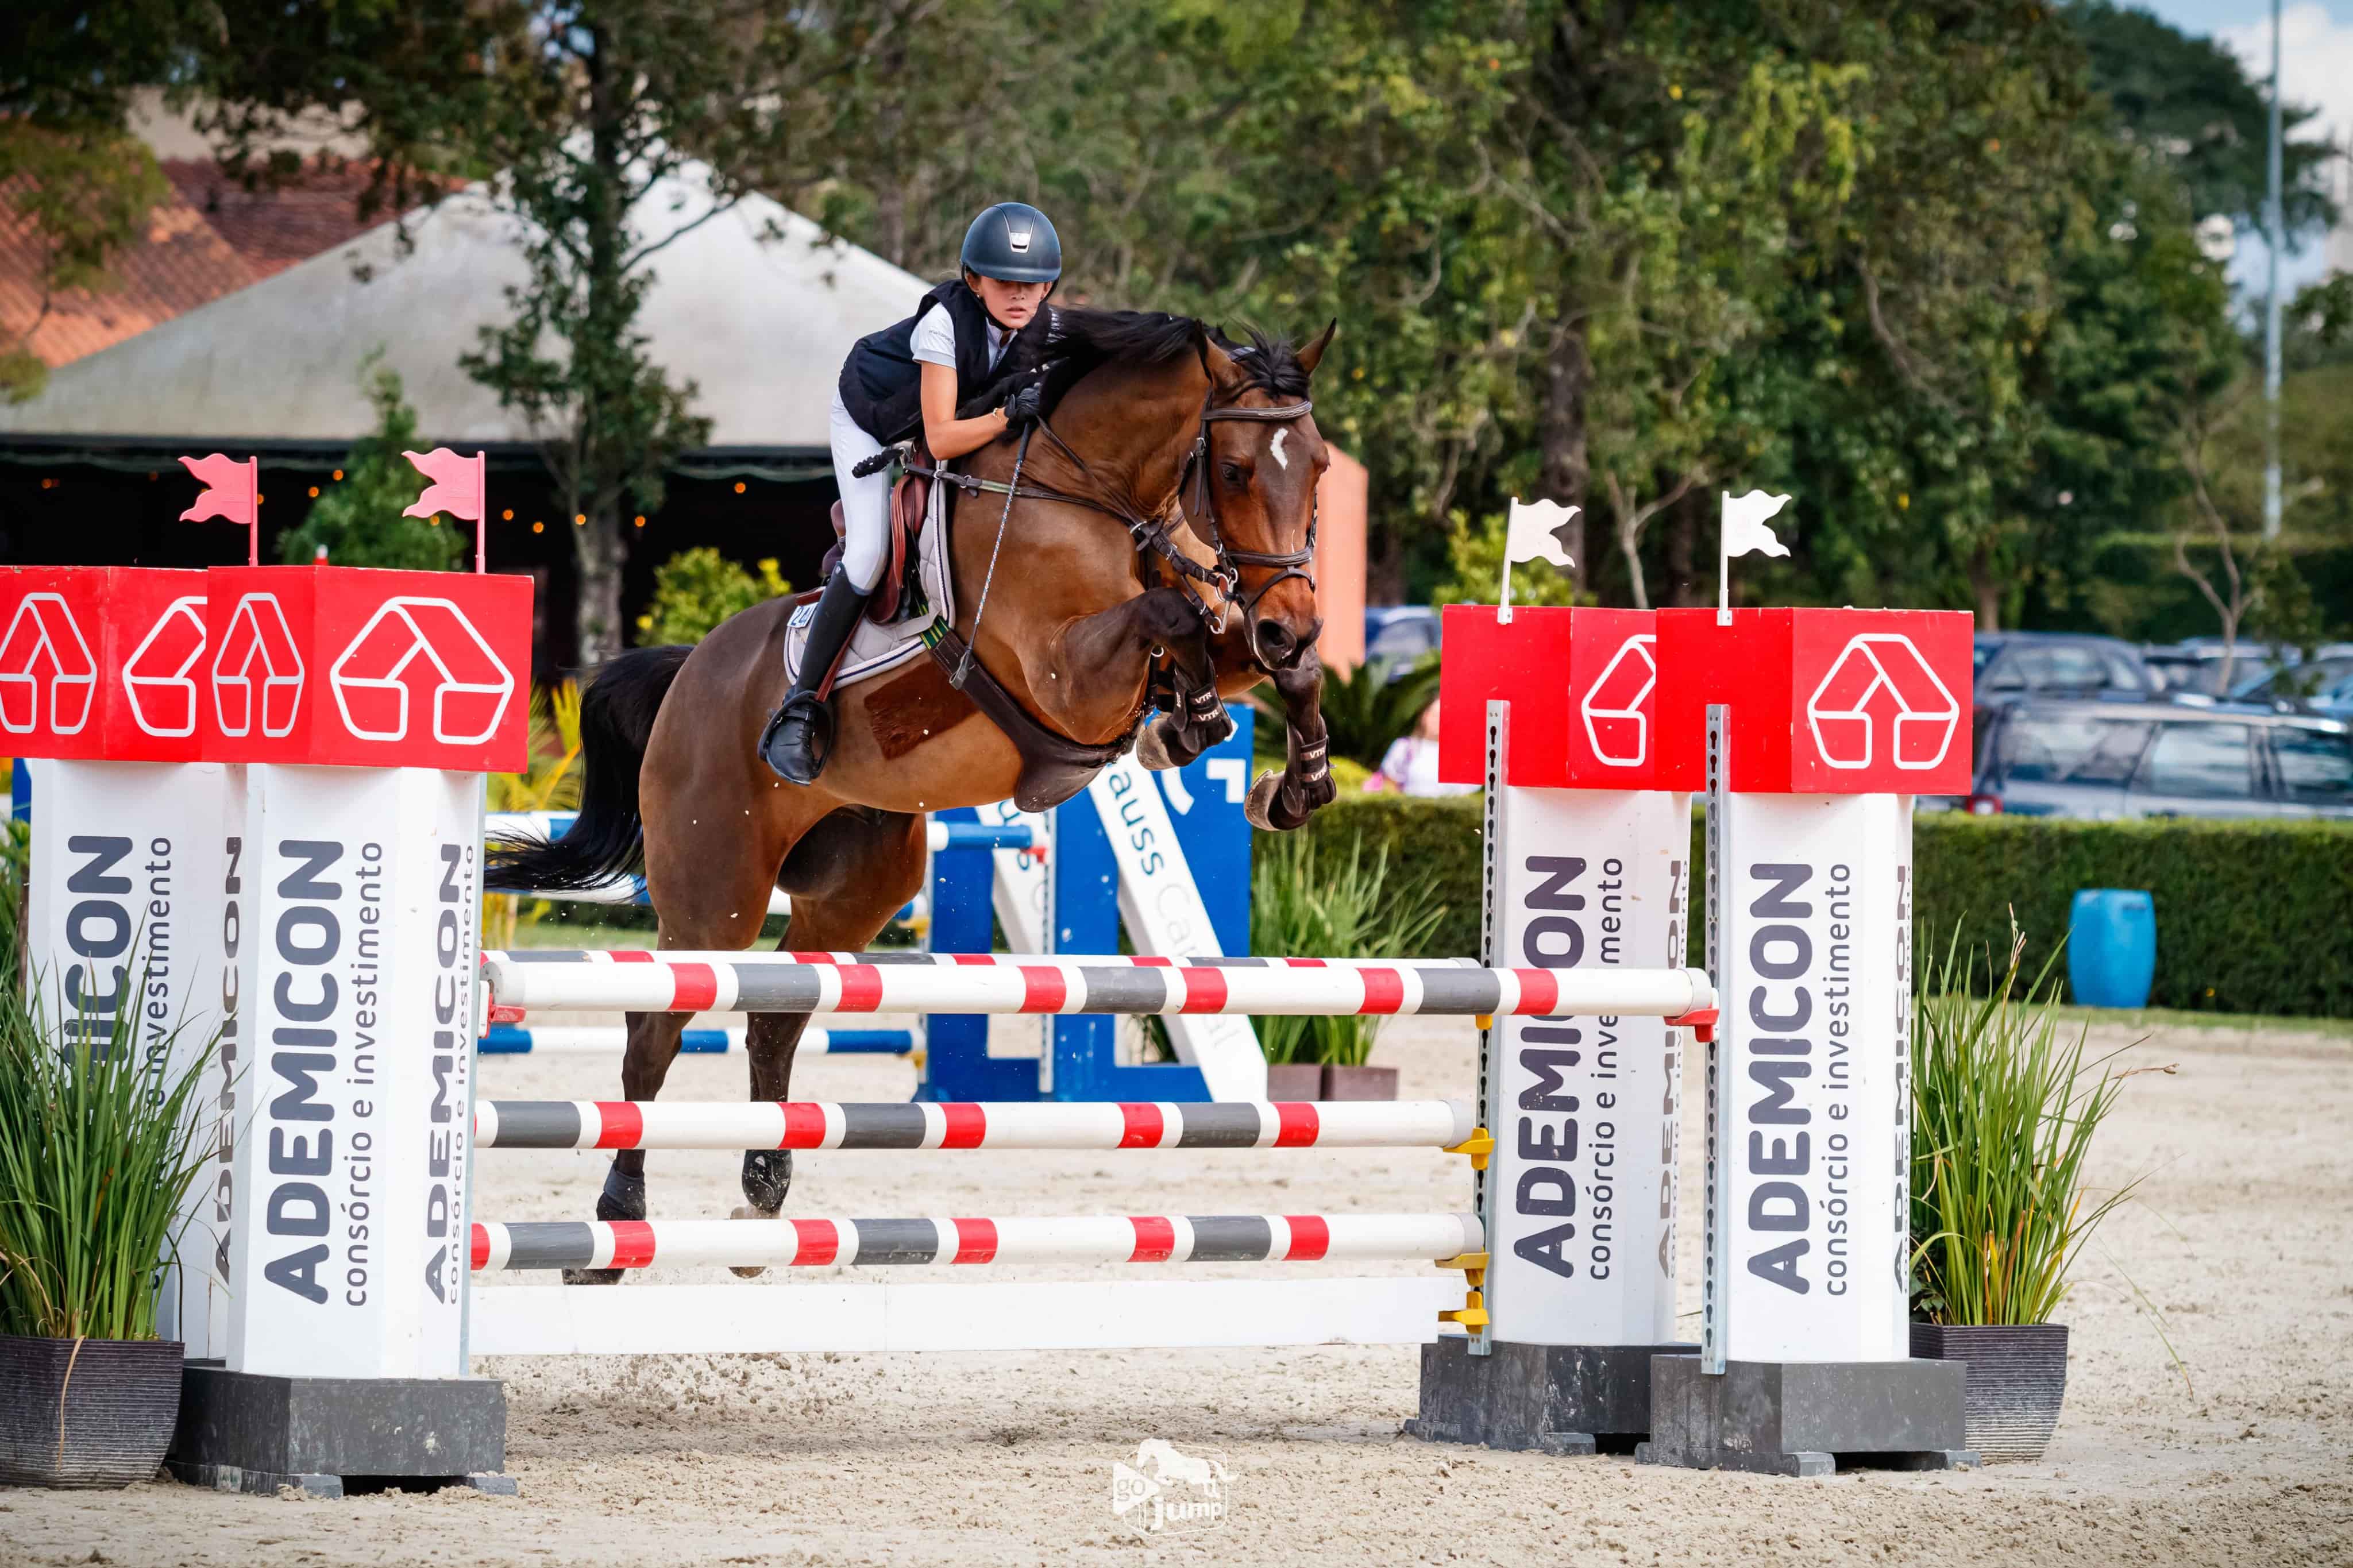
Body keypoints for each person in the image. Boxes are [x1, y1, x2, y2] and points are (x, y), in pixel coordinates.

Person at [759, 201, 1062, 784]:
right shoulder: (943, 324)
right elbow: (943, 438)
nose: (1020, 296)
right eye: (1004, 283)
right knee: (869, 553)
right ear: (974, 281)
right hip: (871, 420)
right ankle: (799, 709)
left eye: (1033, 284)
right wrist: (1005, 417)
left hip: (947, 423)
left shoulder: (1043, 328)